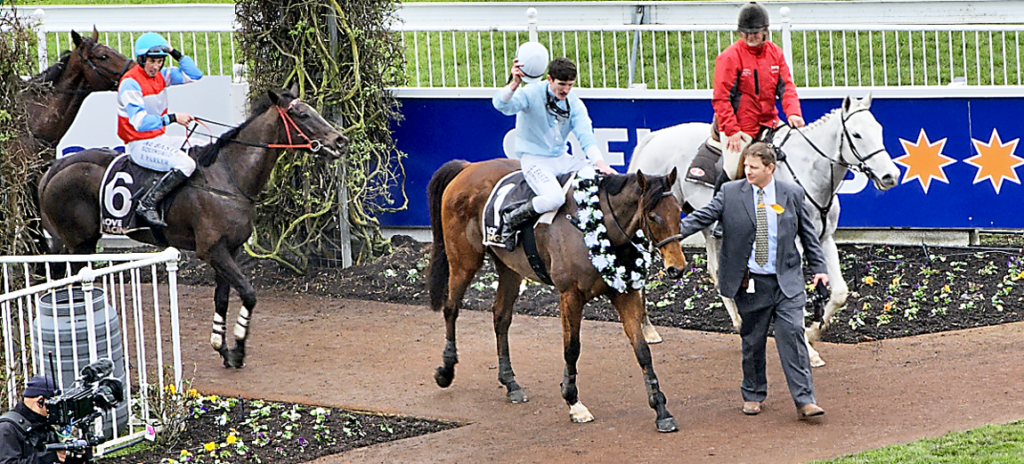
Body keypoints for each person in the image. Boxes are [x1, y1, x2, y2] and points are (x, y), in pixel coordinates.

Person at [676, 142, 828, 419]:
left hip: (787, 280)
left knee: (792, 334)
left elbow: (808, 235)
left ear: (770, 168)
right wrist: (672, 233)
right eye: (746, 166)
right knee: (753, 341)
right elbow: (702, 217)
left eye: (753, 167)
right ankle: (753, 393)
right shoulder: (730, 193)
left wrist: (820, 268)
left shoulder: (791, 194)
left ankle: (805, 400)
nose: (747, 171)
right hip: (751, 283)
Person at [492, 43, 616, 250]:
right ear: (549, 79)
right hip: (534, 160)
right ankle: (512, 218)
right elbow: (501, 105)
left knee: (600, 178)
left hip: (562, 159)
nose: (566, 90)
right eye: (561, 85)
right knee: (554, 199)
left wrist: (600, 163)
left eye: (570, 85)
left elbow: (586, 136)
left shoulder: (574, 102)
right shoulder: (531, 93)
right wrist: (514, 84)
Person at [711, 2, 804, 236]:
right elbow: (721, 98)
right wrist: (731, 130)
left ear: (766, 30)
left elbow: (787, 88)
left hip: (769, 122)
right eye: (746, 33)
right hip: (738, 126)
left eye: (755, 32)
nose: (751, 37)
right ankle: (718, 218)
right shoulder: (729, 57)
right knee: (733, 169)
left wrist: (793, 113)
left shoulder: (776, 53)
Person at [117, 32, 203, 227]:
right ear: (141, 59)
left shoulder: (162, 75)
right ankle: (147, 204)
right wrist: (172, 118)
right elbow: (140, 123)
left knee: (205, 146)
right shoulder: (130, 83)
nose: (156, 67)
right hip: (139, 144)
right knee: (186, 165)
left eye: (160, 61)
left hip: (160, 138)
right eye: (152, 61)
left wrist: (173, 52)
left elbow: (195, 74)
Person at [0, 376, 65, 464]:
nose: (55, 410)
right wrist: (47, 458)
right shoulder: (7, 428)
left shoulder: (44, 424)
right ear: (40, 402)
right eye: (53, 405)